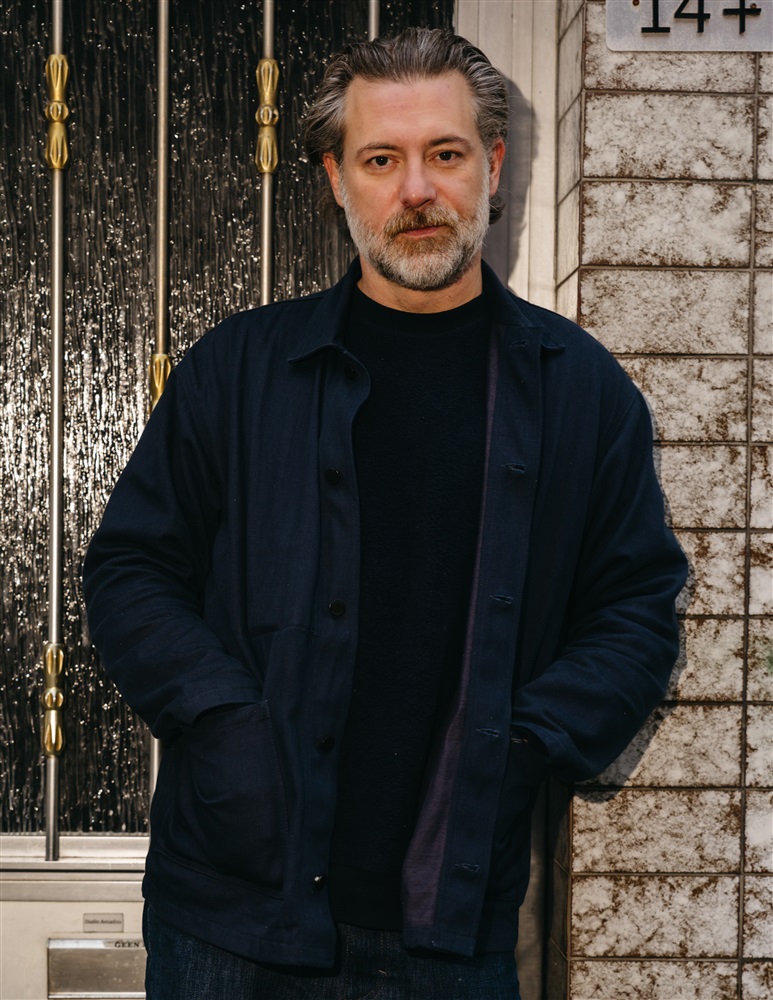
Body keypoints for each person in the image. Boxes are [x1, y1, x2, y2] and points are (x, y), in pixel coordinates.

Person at [83, 27, 688, 1000]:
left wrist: (523, 741)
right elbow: (131, 569)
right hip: (231, 922)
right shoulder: (238, 370)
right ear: (335, 178)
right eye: (379, 159)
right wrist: (223, 718)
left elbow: (634, 606)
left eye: (444, 153)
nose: (415, 189)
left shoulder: (578, 390)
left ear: (492, 166)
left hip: (451, 933)